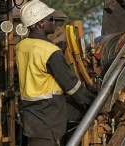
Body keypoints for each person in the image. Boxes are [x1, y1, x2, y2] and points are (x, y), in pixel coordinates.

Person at [16, 0, 93, 145]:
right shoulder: (50, 52)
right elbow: (71, 86)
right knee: (88, 112)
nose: (54, 22)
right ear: (40, 24)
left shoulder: (21, 47)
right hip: (49, 115)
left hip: (31, 114)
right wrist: (93, 101)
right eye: (50, 19)